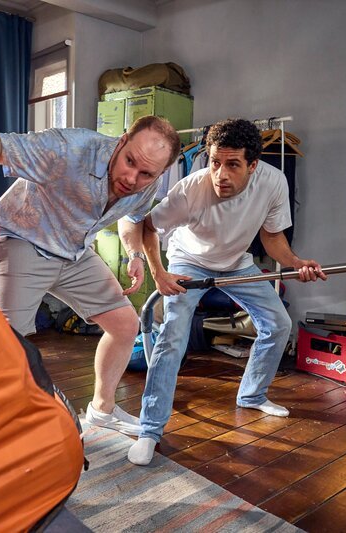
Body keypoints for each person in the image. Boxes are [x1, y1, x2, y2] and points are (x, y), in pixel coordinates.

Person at [127, 118, 327, 465]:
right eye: (215, 162)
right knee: (173, 336)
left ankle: (251, 395)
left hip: (236, 263)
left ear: (253, 165)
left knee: (278, 323)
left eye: (232, 165)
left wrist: (294, 262)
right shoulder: (191, 188)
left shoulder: (273, 181)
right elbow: (148, 226)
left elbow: (271, 236)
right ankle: (149, 430)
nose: (220, 174)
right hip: (189, 261)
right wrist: (159, 273)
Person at [0, 116, 181, 436]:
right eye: (130, 161)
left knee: (125, 324)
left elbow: (132, 218)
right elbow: (1, 145)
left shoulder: (148, 181)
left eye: (146, 173)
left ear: (160, 172)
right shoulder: (70, 148)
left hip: (74, 250)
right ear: (121, 141)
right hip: (23, 237)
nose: (132, 178)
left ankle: (102, 411)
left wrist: (135, 256)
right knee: (8, 345)